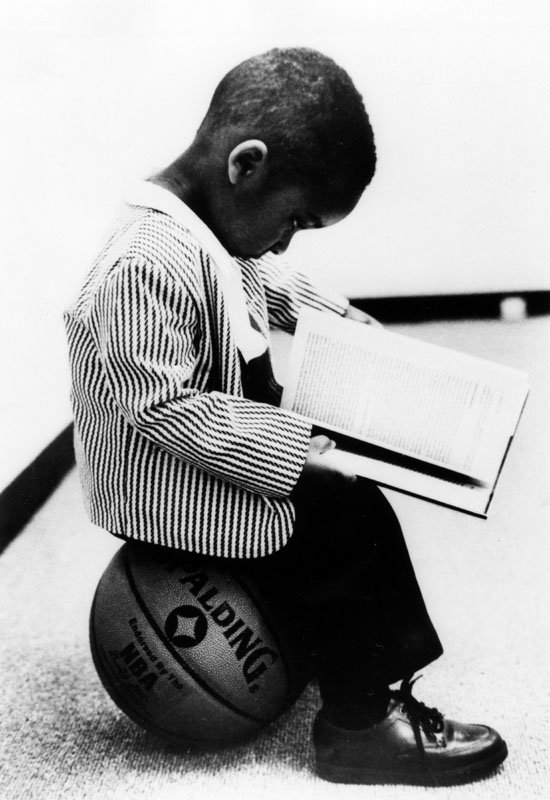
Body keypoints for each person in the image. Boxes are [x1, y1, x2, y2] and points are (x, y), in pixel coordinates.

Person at [64, 47, 508, 786]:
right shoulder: (143, 261)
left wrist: (355, 332)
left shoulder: (209, 227)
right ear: (246, 165)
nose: (284, 240)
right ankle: (359, 726)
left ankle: (333, 645)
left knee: (345, 481)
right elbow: (163, 407)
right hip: (161, 487)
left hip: (203, 452)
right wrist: (300, 449)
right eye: (295, 219)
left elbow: (275, 284)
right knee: (343, 513)